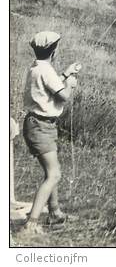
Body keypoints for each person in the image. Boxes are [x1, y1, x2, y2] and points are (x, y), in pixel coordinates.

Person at [19, 31, 81, 237]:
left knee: (50, 172)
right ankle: (31, 224)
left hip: (38, 125)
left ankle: (54, 212)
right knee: (54, 174)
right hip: (41, 127)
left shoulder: (38, 67)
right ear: (54, 51)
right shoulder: (46, 71)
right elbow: (63, 96)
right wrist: (70, 85)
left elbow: (49, 87)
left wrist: (65, 74)